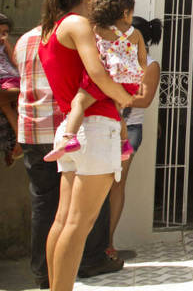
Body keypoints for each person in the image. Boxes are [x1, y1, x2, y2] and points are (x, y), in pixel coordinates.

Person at [38, 0, 134, 291]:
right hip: (95, 129)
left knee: (63, 220)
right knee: (80, 224)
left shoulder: (50, 30)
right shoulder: (77, 24)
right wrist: (124, 96)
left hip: (72, 127)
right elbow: (97, 72)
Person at [15, 19, 124, 289]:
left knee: (51, 212)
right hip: (75, 127)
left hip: (36, 131)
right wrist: (124, 96)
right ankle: (87, 263)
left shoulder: (27, 41)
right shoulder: (77, 34)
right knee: (80, 219)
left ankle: (44, 276)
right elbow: (94, 77)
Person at [44, 0, 146, 162]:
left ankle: (69, 137)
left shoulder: (97, 29)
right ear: (125, 13)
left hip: (108, 76)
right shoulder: (135, 33)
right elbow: (142, 60)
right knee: (117, 111)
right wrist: (137, 79)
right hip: (129, 80)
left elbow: (94, 55)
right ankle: (124, 143)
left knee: (78, 102)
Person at [107, 16, 162, 259]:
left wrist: (106, 95)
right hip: (105, 125)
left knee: (116, 185)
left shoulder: (149, 64)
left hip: (129, 130)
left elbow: (145, 100)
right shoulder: (112, 56)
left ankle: (107, 244)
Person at [0, 13, 22, 160]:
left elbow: (15, 61)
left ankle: (18, 140)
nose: (2, 36)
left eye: (5, 33)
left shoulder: (4, 45)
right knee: (7, 106)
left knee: (12, 105)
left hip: (9, 78)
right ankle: (16, 141)